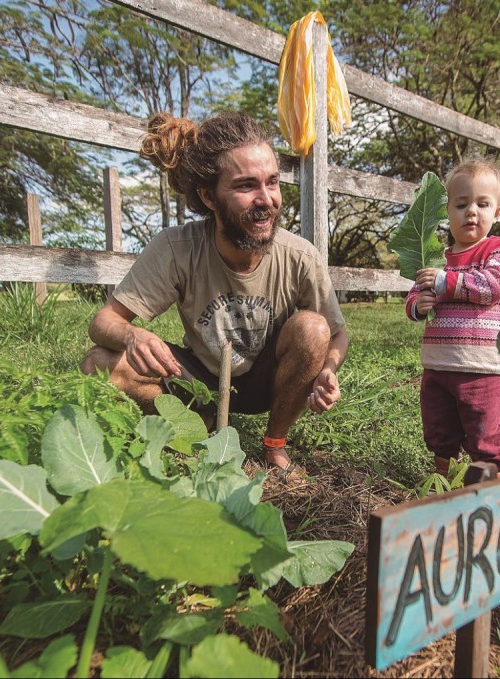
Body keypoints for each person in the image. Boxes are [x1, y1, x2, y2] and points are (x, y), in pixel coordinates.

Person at [81, 111, 349, 476]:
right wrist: (133, 335)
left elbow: (336, 333)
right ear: (209, 196)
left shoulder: (299, 255)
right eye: (246, 186)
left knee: (314, 329)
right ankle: (199, 418)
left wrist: (328, 370)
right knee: (100, 364)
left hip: (268, 382)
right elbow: (104, 322)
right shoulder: (176, 248)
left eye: (272, 182)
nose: (266, 199)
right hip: (201, 379)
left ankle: (274, 443)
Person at [405, 158, 500, 479]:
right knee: (439, 425)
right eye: (461, 204)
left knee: (482, 425)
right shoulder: (437, 258)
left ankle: (487, 473)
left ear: (497, 212)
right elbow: (414, 295)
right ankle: (444, 472)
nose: (471, 211)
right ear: (447, 211)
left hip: (480, 363)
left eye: (483, 204)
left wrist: (445, 282)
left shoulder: (497, 250)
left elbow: (497, 285)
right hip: (438, 363)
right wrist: (418, 304)